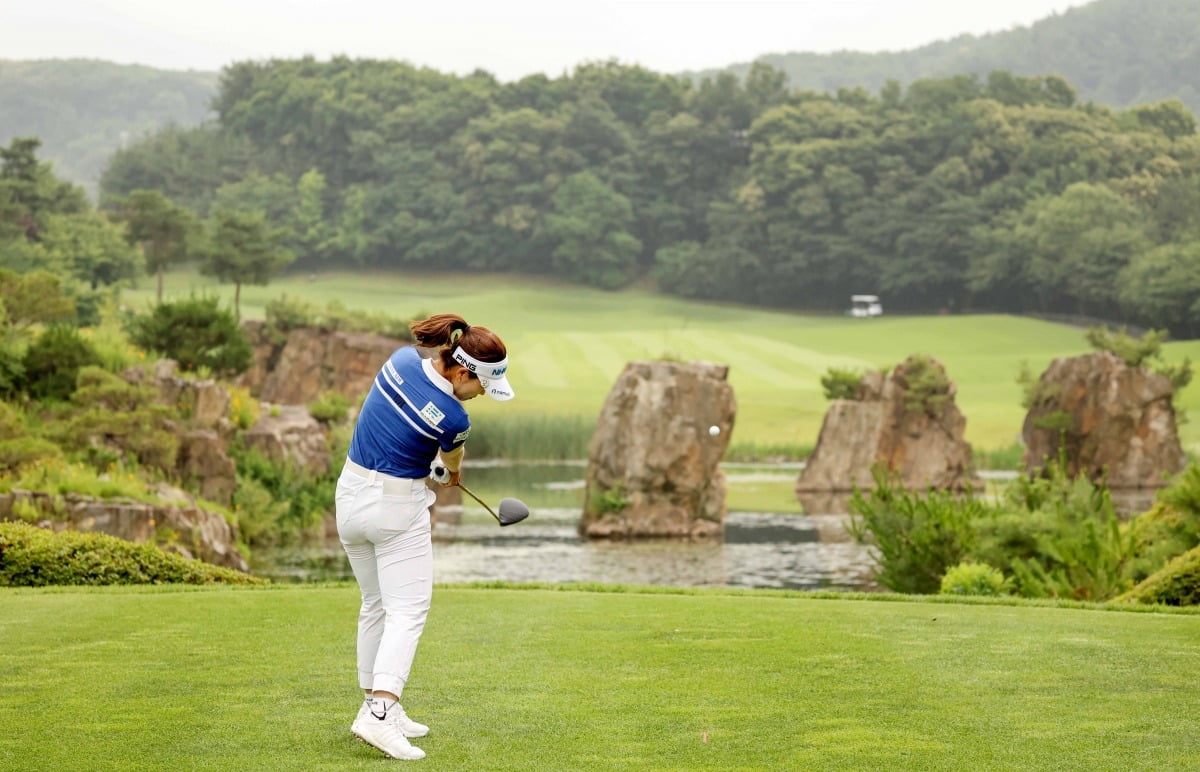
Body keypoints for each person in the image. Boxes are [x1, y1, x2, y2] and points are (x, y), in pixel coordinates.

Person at [336, 312, 513, 760]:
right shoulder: (455, 417)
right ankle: (379, 712)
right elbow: (451, 459)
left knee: (375, 605)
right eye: (482, 387)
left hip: (350, 498)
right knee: (408, 611)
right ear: (463, 371)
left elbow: (401, 429)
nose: (481, 397)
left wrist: (428, 464)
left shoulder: (398, 361)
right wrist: (450, 473)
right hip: (395, 510)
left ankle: (376, 704)